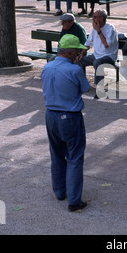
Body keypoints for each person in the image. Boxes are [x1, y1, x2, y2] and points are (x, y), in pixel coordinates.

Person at [41, 34, 91, 212]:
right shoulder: (74, 69)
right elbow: (86, 88)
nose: (78, 54)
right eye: (77, 51)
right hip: (70, 116)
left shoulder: (47, 67)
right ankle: (74, 201)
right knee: (75, 158)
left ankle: (60, 191)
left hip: (50, 115)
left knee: (56, 155)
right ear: (69, 52)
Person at [78, 9, 118, 97]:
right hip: (96, 55)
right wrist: (81, 54)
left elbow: (106, 45)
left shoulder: (110, 28)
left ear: (101, 18)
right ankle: (82, 84)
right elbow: (88, 44)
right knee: (79, 60)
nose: (93, 19)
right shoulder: (94, 29)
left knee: (97, 62)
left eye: (95, 17)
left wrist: (98, 30)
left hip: (109, 56)